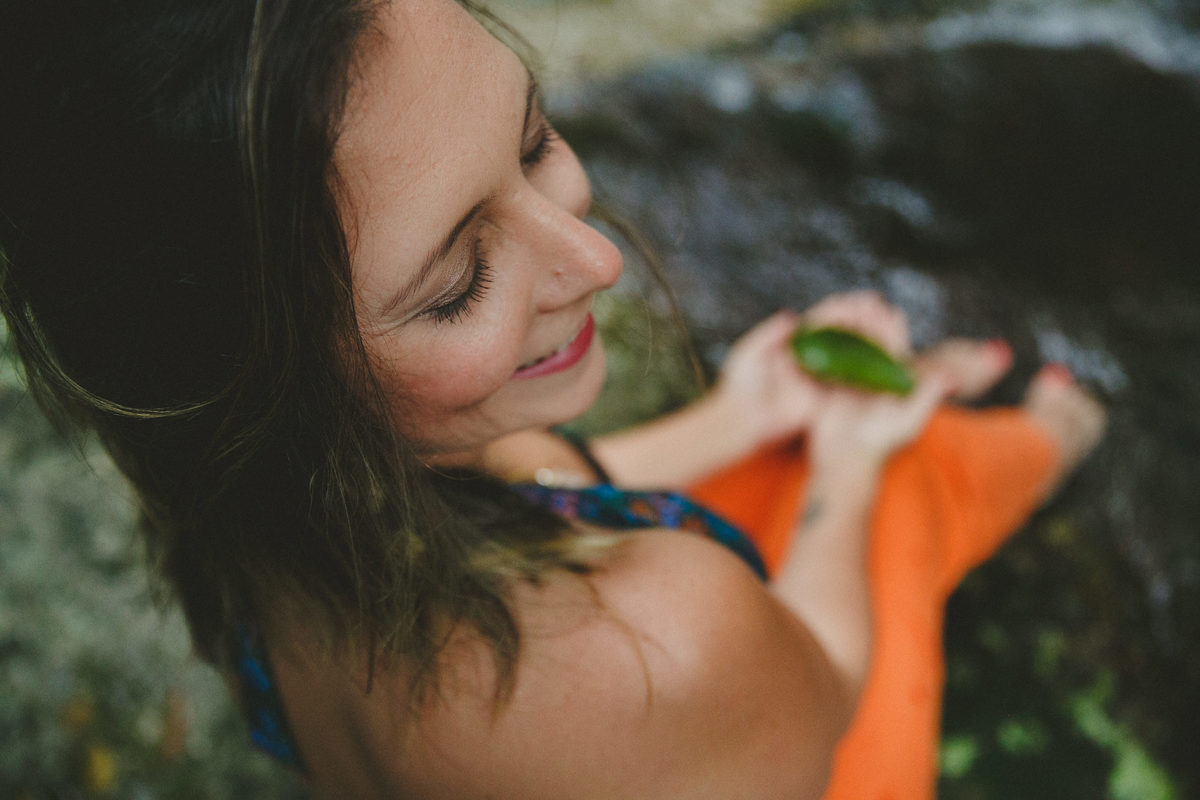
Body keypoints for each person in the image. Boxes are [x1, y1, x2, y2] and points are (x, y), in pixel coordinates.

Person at [0, 0, 1105, 798]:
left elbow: (532, 486)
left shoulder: (239, 487)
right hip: (792, 735)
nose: (594, 259)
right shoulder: (655, 646)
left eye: (533, 141)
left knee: (791, 441)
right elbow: (830, 674)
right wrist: (852, 470)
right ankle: (1063, 424)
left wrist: (738, 415)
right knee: (907, 482)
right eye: (458, 281)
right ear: (244, 371)